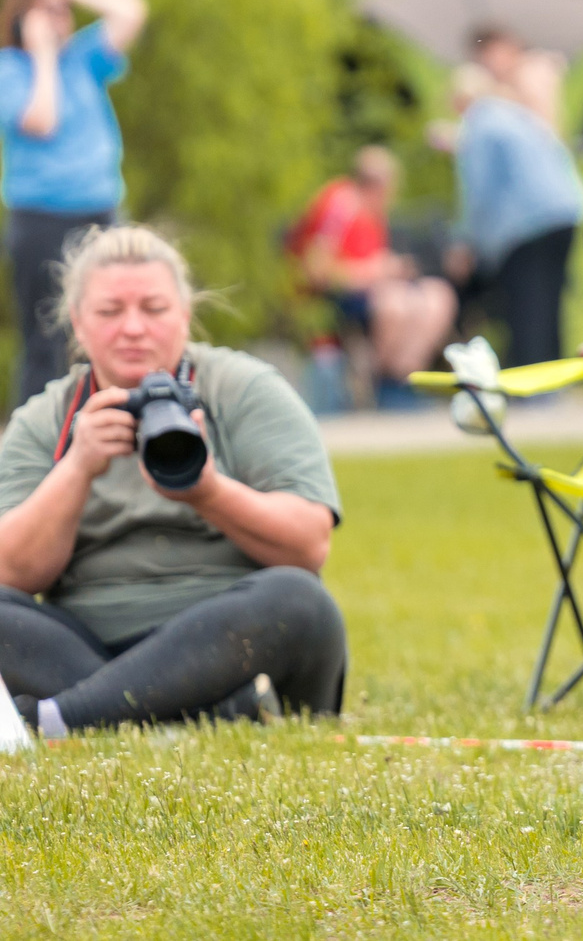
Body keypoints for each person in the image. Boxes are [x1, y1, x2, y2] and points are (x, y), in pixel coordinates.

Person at [0, 225, 345, 736]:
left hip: (229, 639)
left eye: (154, 309)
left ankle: (64, 719)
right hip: (87, 642)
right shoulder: (46, 419)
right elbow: (13, 572)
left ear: (185, 315)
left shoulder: (245, 390)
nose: (133, 328)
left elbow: (309, 545)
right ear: (78, 323)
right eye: (110, 312)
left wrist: (208, 491)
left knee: (301, 601)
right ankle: (197, 715)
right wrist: (76, 467)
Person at [0, 0, 149, 415]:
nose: (57, 19)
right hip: (42, 217)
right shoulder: (11, 69)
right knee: (46, 339)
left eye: (60, 11)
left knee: (110, 328)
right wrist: (41, 54)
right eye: (45, 11)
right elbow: (41, 120)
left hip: (99, 210)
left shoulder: (85, 59)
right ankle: (36, 448)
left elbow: (131, 9)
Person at [449, 65, 583, 367]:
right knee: (550, 298)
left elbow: (479, 192)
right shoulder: (513, 114)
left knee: (526, 301)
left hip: (525, 223)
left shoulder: (479, 124)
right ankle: (554, 374)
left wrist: (467, 242)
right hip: (566, 209)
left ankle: (532, 377)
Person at [285, 146, 457, 380]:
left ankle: (404, 378)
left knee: (436, 298)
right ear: (379, 185)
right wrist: (372, 271)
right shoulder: (340, 204)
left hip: (373, 289)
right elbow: (316, 270)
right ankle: (384, 382)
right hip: (338, 298)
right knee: (395, 305)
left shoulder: (373, 213)